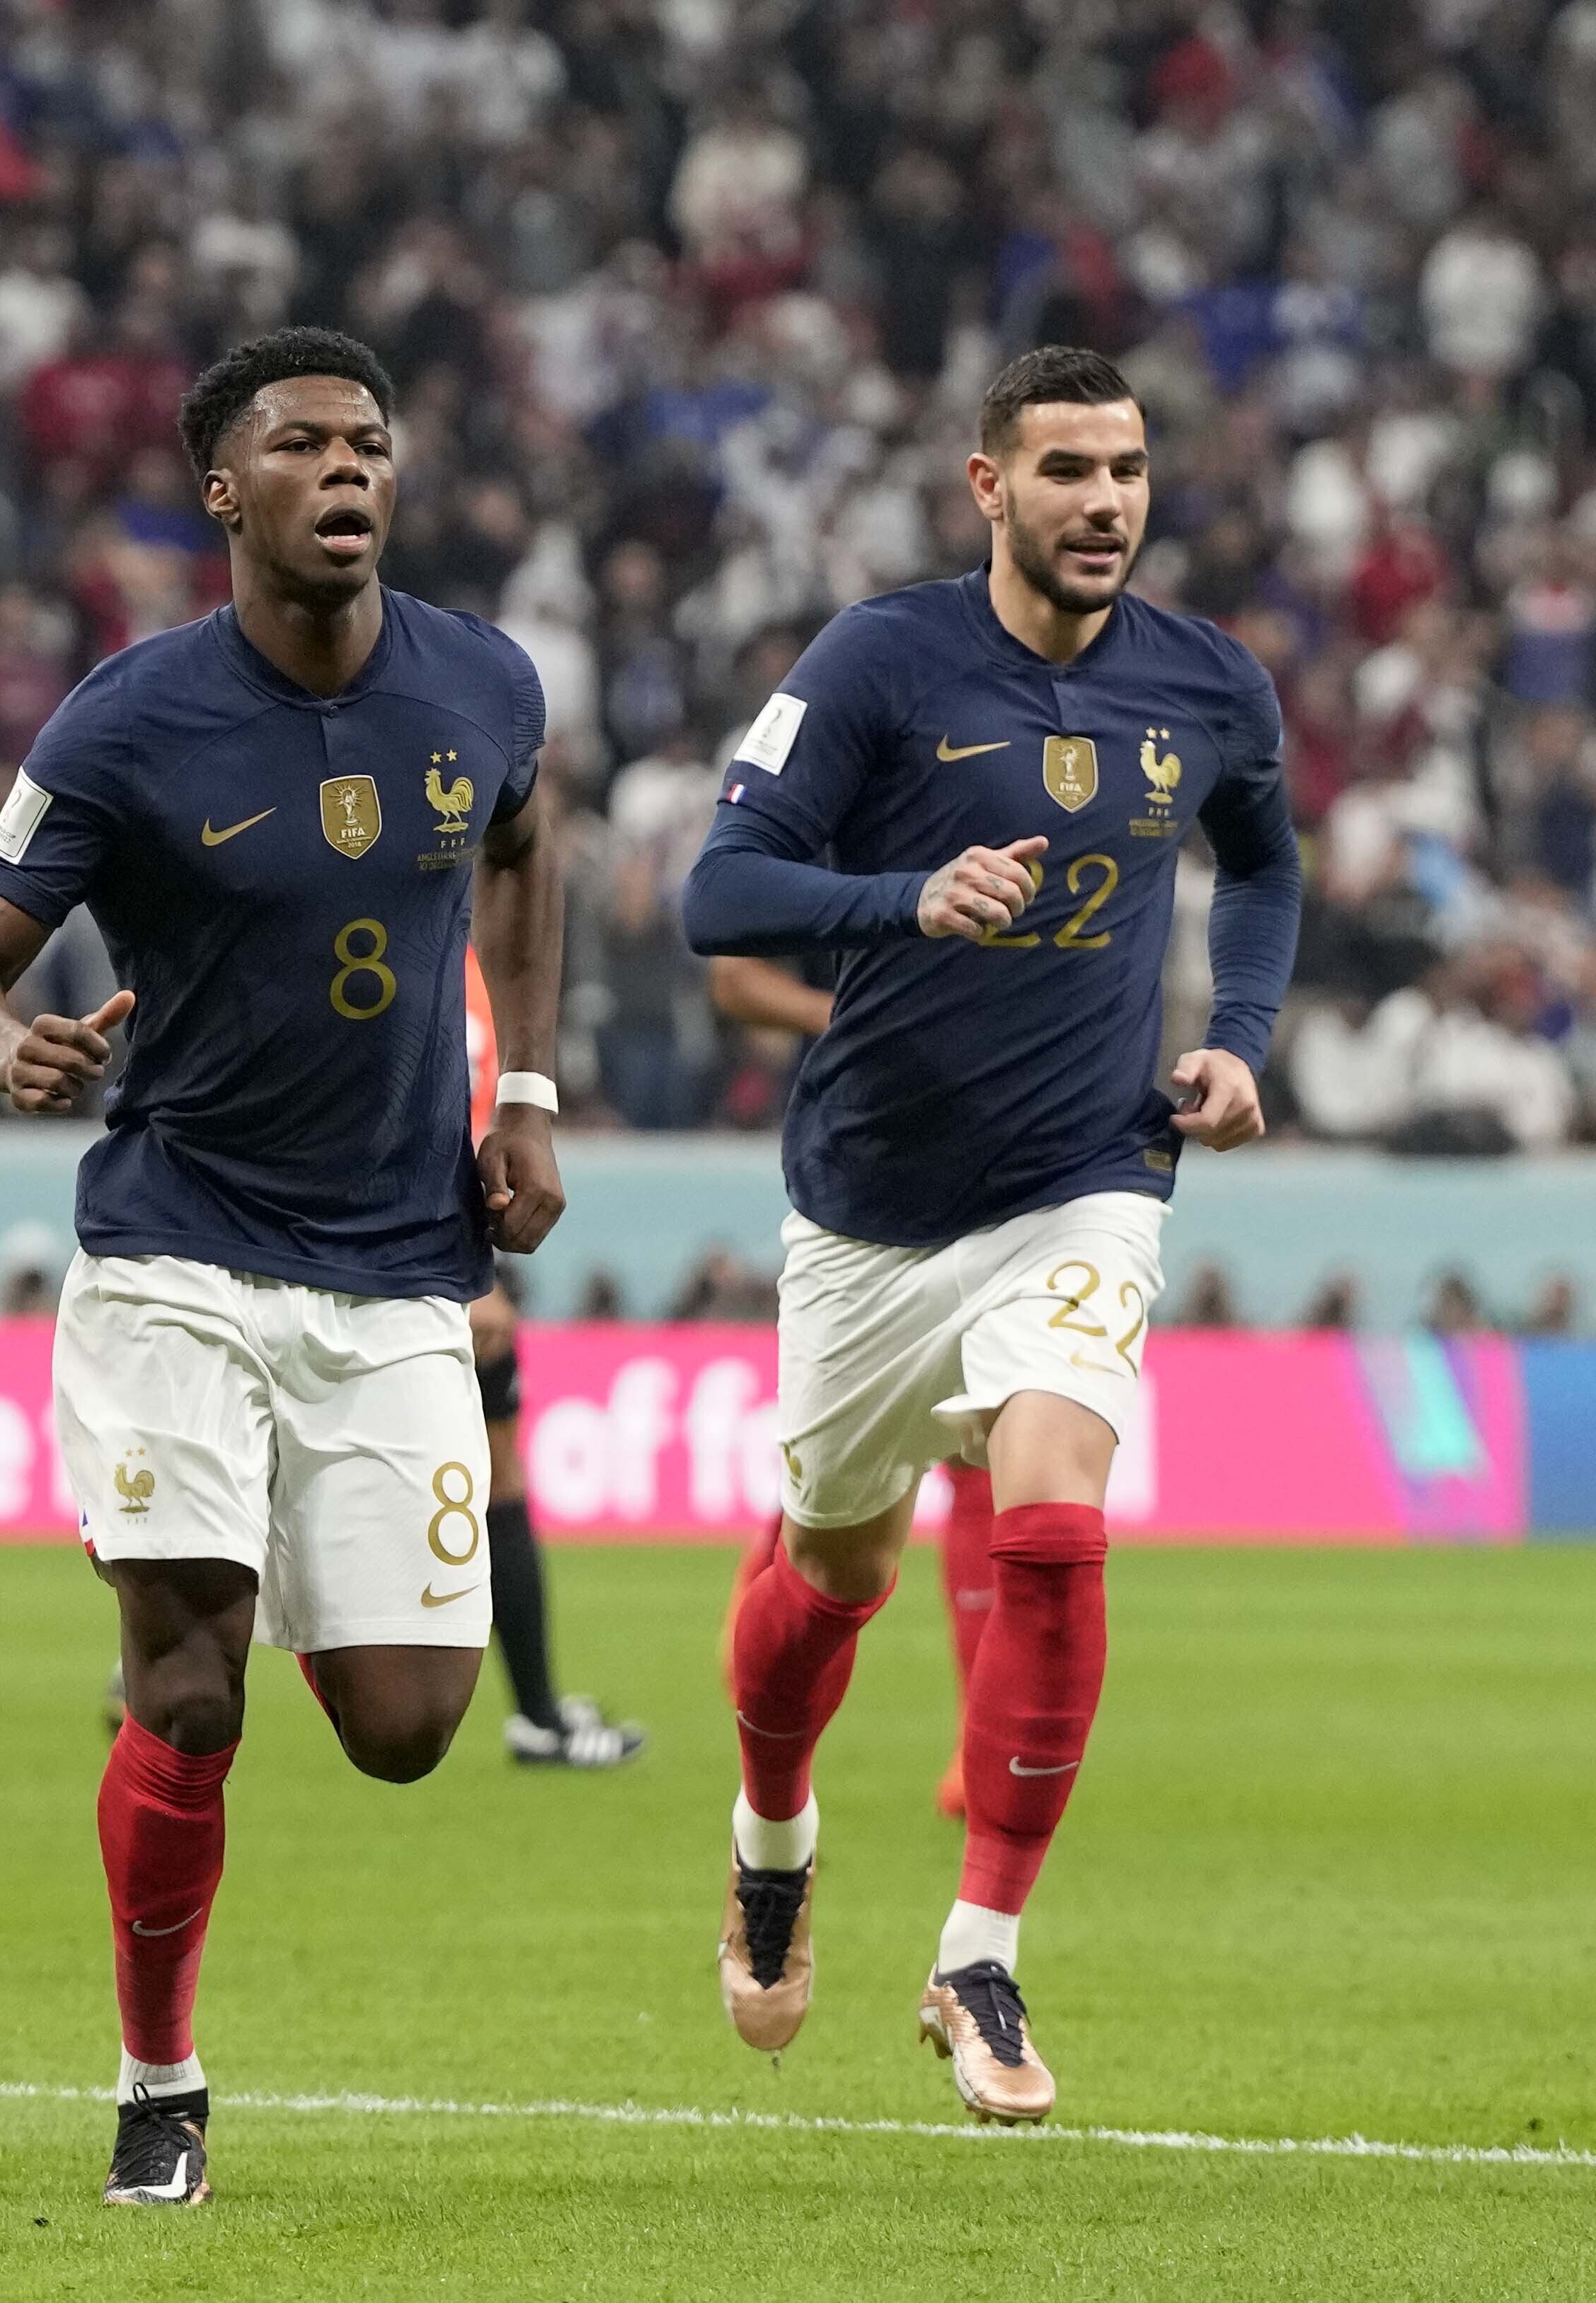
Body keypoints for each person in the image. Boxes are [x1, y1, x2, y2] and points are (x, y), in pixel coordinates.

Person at [0, 326, 568, 2210]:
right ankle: (157, 2078)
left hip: (394, 1274)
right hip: (178, 1247)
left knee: (406, 1727)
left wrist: (521, 1084)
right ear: (228, 490)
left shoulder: (484, 686)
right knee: (196, 1692)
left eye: (371, 442)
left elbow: (531, 839)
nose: (348, 471)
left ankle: (227, 1577)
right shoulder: (125, 722)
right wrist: (3, 1048)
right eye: (303, 446)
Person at [680, 346, 1302, 2124]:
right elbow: (716, 893)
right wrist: (903, 897)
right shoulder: (880, 660)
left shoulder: (1207, 683)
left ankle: (978, 1950)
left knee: (1051, 1521)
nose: (1105, 501)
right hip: (872, 1206)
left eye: (1127, 469)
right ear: (987, 488)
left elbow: (1262, 864)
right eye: (1067, 470)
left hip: (1088, 1175)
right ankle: (769, 1840)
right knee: (831, 1579)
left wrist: (1239, 1038)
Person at [711, 951, 993, 1821]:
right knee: (849, 1466)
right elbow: (731, 977)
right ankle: (773, 1582)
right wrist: (847, 1013)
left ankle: (981, 1749)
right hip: (856, 1183)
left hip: (994, 1159)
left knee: (982, 1453)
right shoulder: (828, 837)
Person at [460, 947, 641, 1770]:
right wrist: (463, 1275)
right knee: (492, 1478)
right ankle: (536, 1717)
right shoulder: (443, 949)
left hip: (427, 1253)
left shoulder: (463, 954)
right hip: (404, 1263)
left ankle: (158, 1670)